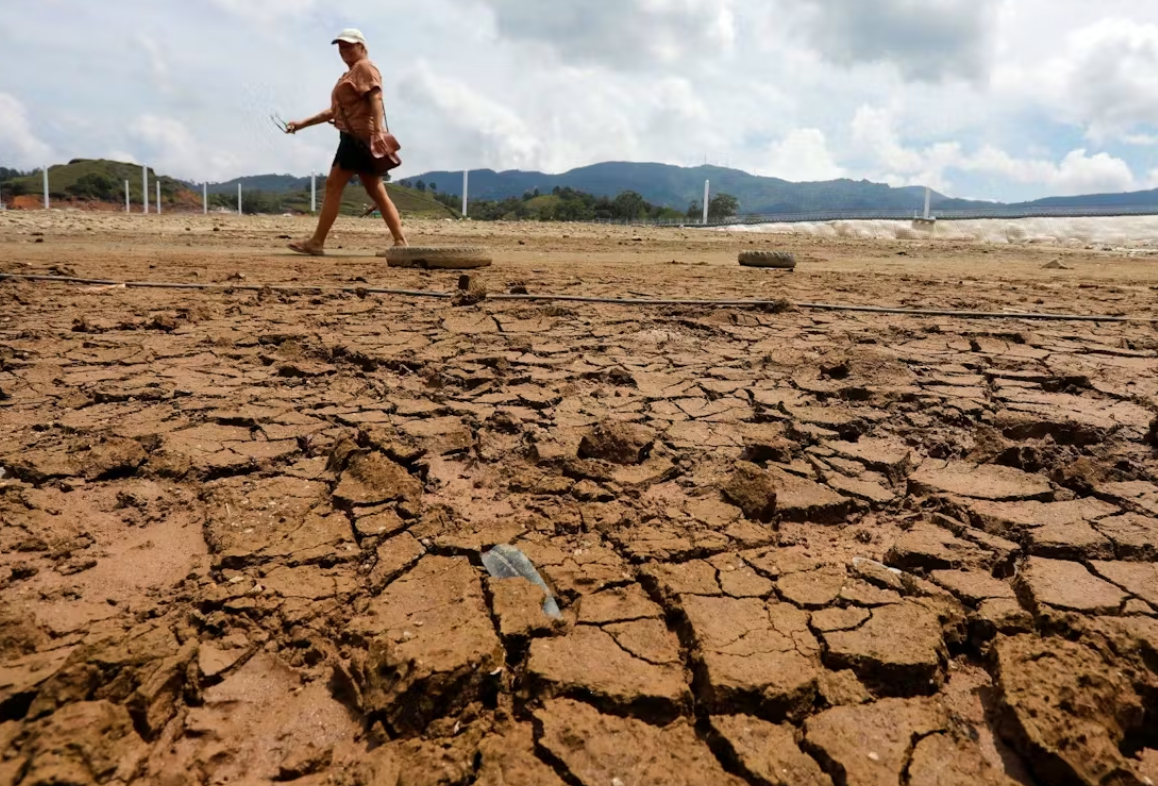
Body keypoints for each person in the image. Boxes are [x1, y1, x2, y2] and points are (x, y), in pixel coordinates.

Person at [284, 28, 407, 255]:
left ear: (362, 46)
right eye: (341, 46)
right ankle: (400, 242)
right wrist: (301, 124)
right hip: (359, 139)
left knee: (333, 186)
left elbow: (377, 99)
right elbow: (332, 112)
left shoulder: (364, 67)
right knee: (376, 191)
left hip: (356, 140)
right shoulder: (349, 74)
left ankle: (317, 242)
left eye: (349, 45)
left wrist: (378, 132)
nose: (344, 50)